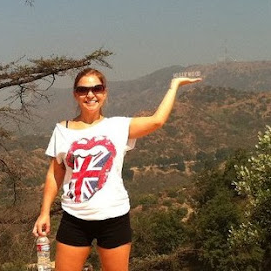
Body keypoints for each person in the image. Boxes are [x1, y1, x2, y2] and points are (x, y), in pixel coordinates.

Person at [32, 68, 201, 271]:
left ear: (105, 92)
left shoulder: (118, 127)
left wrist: (174, 86)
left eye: (97, 88)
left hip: (114, 217)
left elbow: (157, 120)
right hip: (74, 218)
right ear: (75, 94)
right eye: (83, 89)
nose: (91, 94)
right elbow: (55, 173)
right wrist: (44, 213)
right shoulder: (62, 130)